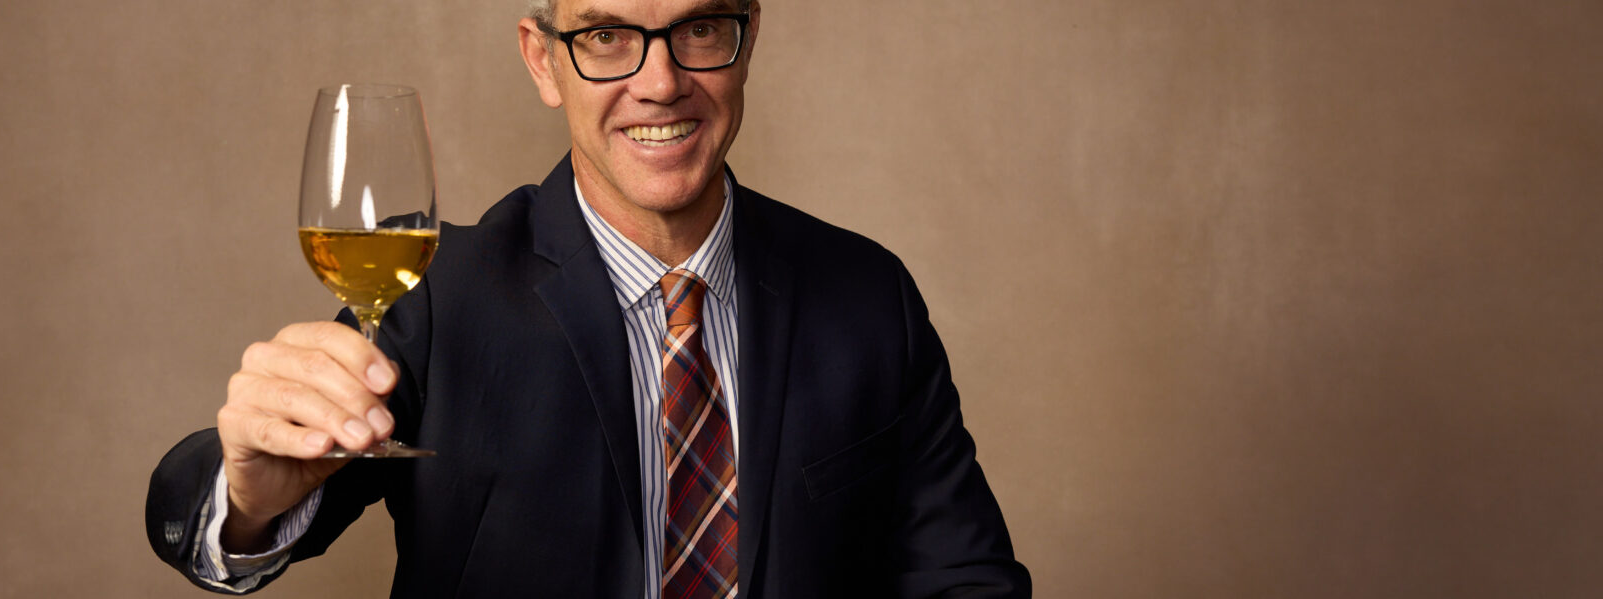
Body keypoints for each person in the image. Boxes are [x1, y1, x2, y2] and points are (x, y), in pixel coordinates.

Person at [147, 0, 1032, 596]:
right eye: (606, 35)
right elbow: (229, 510)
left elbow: (967, 579)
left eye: (697, 28)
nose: (658, 83)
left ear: (747, 38)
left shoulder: (867, 295)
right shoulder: (437, 296)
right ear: (542, 61)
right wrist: (249, 495)